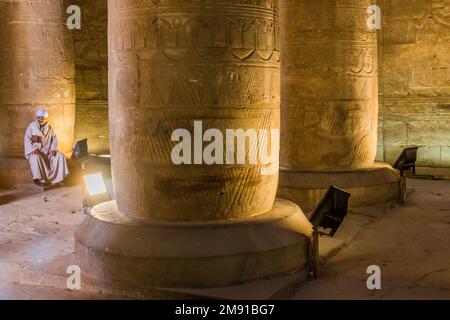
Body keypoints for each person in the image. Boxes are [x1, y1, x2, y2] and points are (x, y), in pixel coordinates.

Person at [24, 107, 69, 186]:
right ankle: (39, 179)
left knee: (60, 156)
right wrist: (33, 149)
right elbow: (26, 139)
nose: (40, 120)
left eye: (43, 118)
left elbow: (54, 140)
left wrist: (53, 149)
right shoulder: (31, 126)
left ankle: (58, 179)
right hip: (37, 152)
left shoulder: (50, 128)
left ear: (46, 118)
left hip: (48, 151)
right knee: (35, 158)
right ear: (37, 118)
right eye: (39, 118)